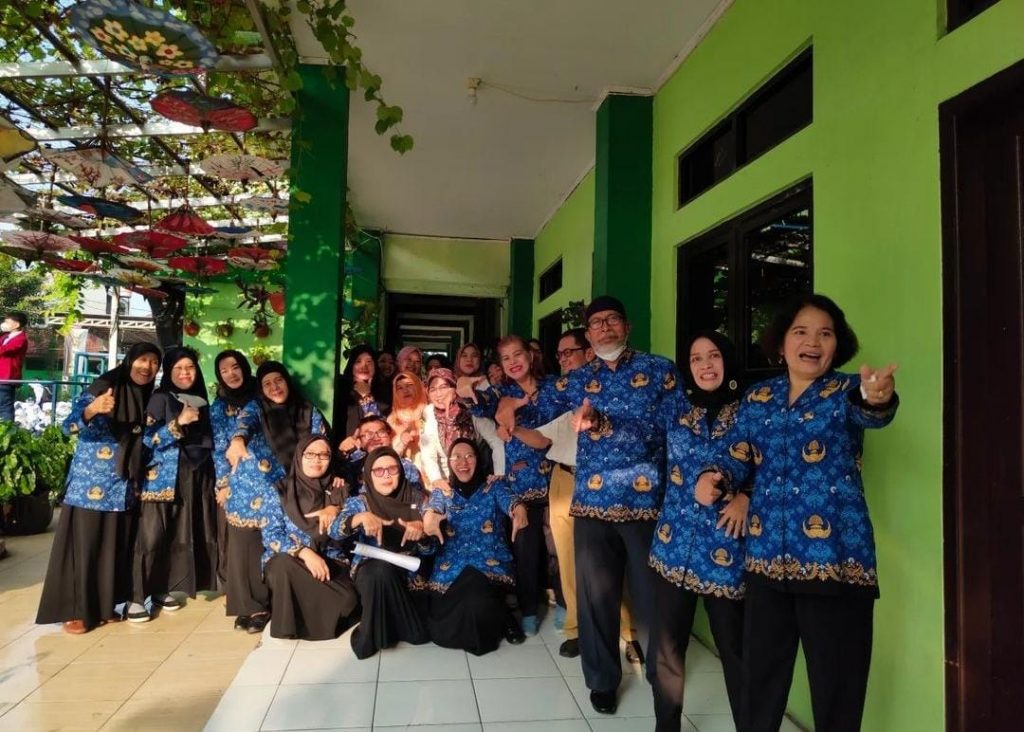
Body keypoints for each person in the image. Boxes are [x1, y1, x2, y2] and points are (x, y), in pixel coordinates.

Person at [694, 293, 898, 732]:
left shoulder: (846, 392)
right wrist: (715, 475)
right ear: (781, 342)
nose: (812, 342)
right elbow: (738, 452)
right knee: (759, 684)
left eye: (825, 334)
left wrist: (878, 398)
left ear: (837, 345)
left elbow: (872, 412)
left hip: (836, 564)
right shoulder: (759, 397)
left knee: (837, 689)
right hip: (767, 561)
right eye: (801, 331)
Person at [546, 295, 681, 715]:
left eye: (612, 320)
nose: (604, 327)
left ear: (627, 326)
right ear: (588, 335)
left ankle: (662, 677)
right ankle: (602, 680)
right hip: (592, 505)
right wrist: (497, 403)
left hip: (645, 504)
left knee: (653, 600)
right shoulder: (577, 379)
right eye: (596, 323)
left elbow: (675, 430)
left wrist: (603, 424)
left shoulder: (660, 370)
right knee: (595, 601)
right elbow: (533, 402)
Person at [508, 328, 640, 661]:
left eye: (570, 352)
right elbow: (542, 439)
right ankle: (577, 628)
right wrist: (513, 428)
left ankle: (628, 632)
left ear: (590, 352)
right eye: (560, 354)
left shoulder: (609, 390)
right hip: (564, 480)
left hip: (602, 484)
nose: (564, 359)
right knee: (568, 560)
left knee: (610, 561)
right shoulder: (561, 393)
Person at [648, 331, 747, 731]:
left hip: (726, 552)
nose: (705, 365)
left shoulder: (751, 411)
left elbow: (778, 463)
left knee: (736, 650)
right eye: (695, 358)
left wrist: (748, 496)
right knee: (667, 648)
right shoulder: (675, 409)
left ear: (728, 359)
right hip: (673, 547)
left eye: (713, 355)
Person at [36, 342, 161, 634]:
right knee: (86, 548)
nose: (147, 367)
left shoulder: (148, 396)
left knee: (111, 548)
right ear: (129, 361)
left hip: (123, 485)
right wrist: (92, 410)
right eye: (142, 359)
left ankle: (104, 607)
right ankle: (76, 611)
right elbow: (67, 426)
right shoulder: (104, 386)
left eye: (154, 362)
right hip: (90, 485)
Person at [224, 361, 329, 634]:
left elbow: (321, 441)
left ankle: (275, 601)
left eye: (278, 380)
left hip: (293, 486)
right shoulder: (256, 408)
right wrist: (238, 440)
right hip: (254, 485)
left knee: (281, 543)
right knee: (247, 547)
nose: (274, 387)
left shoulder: (307, 410)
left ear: (287, 382)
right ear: (261, 388)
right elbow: (243, 425)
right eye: (267, 383)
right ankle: (250, 606)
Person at [459, 334, 553, 636]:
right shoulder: (501, 392)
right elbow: (479, 404)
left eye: (518, 355)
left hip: (555, 481)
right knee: (524, 549)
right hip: (518, 487)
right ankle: (528, 609)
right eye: (506, 358)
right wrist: (466, 387)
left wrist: (514, 423)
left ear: (530, 355)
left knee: (558, 549)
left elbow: (551, 436)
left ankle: (565, 602)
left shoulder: (553, 387)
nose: (513, 362)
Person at [129, 347, 218, 622]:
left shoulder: (201, 400)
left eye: (189, 367)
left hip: (194, 476)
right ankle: (135, 598)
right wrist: (178, 422)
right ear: (168, 372)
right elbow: (145, 441)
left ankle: (161, 589)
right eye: (178, 368)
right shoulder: (160, 398)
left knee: (178, 534)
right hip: (161, 478)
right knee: (151, 537)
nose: (184, 373)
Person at [328, 447, 435, 659]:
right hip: (371, 566)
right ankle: (372, 636)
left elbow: (432, 549)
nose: (386, 475)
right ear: (369, 474)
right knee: (379, 571)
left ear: (401, 472)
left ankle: (400, 629)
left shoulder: (420, 500)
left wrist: (422, 534)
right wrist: (358, 518)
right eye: (378, 471)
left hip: (410, 570)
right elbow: (334, 530)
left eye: (392, 469)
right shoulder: (361, 502)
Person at [423, 439, 528, 653]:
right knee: (444, 607)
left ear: (478, 459)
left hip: (489, 559)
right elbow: (432, 510)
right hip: (452, 562)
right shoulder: (442, 491)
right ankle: (501, 614)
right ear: (449, 462)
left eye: (469, 456)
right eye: (456, 457)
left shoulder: (494, 487)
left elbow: (511, 502)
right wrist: (430, 519)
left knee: (477, 595)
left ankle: (503, 616)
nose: (463, 462)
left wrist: (519, 511)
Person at [261, 435, 358, 640]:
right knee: (282, 566)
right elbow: (271, 534)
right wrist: (304, 553)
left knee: (349, 600)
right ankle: (289, 625)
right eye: (310, 454)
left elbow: (350, 525)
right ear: (299, 456)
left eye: (323, 455)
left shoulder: (339, 489)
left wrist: (335, 507)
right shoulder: (280, 489)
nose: (316, 460)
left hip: (330, 559)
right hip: (292, 560)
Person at [210, 350, 258, 589]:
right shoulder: (219, 406)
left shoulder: (262, 395)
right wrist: (224, 483)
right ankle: (233, 589)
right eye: (224, 371)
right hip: (234, 478)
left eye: (235, 367)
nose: (231, 374)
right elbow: (219, 448)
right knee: (231, 535)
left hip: (264, 476)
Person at [420, 368, 504, 491]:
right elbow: (428, 453)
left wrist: (499, 474)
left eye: (444, 387)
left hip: (479, 479)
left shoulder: (470, 409)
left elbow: (496, 441)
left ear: (455, 387)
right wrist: (436, 479)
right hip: (448, 482)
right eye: (433, 389)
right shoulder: (430, 414)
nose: (438, 394)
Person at [338, 415, 425, 493]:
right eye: (369, 434)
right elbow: (336, 477)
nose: (376, 438)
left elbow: (417, 497)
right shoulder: (354, 464)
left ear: (390, 436)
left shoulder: (405, 466)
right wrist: (341, 453)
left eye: (381, 432)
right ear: (360, 441)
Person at [337, 344, 390, 438]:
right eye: (358, 361)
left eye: (369, 362)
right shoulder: (341, 389)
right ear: (351, 365)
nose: (364, 366)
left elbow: (382, 425)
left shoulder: (384, 392)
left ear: (375, 366)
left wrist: (367, 395)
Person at [387, 371, 426, 467]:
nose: (405, 390)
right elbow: (390, 454)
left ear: (418, 386)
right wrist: (401, 440)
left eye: (409, 385)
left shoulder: (430, 412)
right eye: (400, 388)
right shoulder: (392, 420)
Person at [0, 310, 29, 423]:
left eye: (7, 322)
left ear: (16, 324)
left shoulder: (21, 339)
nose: (4, 324)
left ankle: (7, 430)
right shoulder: (5, 337)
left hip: (7, 377)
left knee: (4, 407)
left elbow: (5, 350)